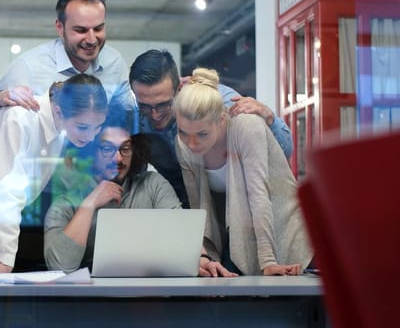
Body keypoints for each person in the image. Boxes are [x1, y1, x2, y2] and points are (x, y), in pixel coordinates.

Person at [0, 74, 108, 275]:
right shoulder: (20, 118)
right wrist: (5, 259)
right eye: (83, 127)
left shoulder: (59, 123)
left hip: (9, 216)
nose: (90, 136)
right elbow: (5, 192)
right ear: (58, 111)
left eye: (97, 128)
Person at [43, 107, 236, 277]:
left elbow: (179, 234)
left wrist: (200, 259)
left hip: (149, 298)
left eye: (125, 148)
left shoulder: (152, 184)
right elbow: (62, 266)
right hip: (93, 302)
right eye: (107, 149)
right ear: (92, 152)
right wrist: (89, 204)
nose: (118, 158)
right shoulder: (66, 203)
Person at [173, 67, 313, 276]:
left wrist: (268, 261)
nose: (192, 143)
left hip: (284, 233)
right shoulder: (183, 144)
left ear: (221, 120)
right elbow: (199, 209)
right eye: (184, 132)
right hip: (240, 239)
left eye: (202, 134)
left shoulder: (246, 126)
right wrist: (206, 258)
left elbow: (259, 195)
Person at [0, 0, 135, 144]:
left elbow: (128, 122)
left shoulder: (114, 63)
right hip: (40, 170)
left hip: (91, 170)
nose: (91, 39)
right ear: (60, 28)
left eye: (98, 29)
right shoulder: (28, 68)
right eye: (81, 30)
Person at [129, 50, 293, 208]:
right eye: (144, 106)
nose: (155, 115)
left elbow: (284, 151)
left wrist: (269, 118)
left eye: (163, 105)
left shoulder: (215, 101)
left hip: (241, 202)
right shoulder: (134, 119)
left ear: (178, 88)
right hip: (186, 205)